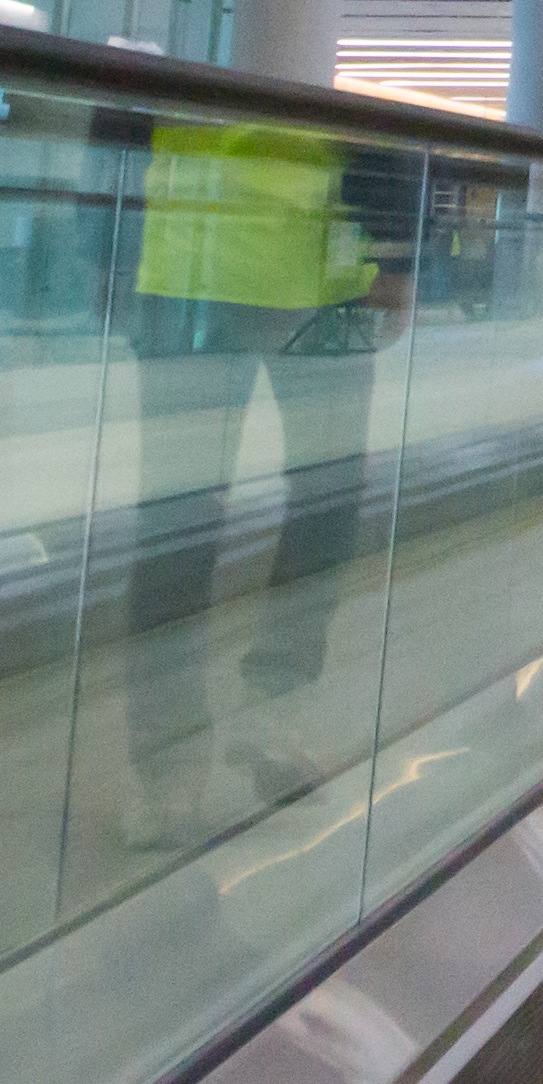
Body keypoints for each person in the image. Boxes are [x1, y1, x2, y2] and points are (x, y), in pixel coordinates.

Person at [119, 113, 413, 843]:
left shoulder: (191, 4)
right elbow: (361, 92)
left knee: (185, 520)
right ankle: (265, 719)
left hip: (194, 267)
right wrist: (398, 252)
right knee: (322, 500)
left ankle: (173, 773)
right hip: (294, 275)